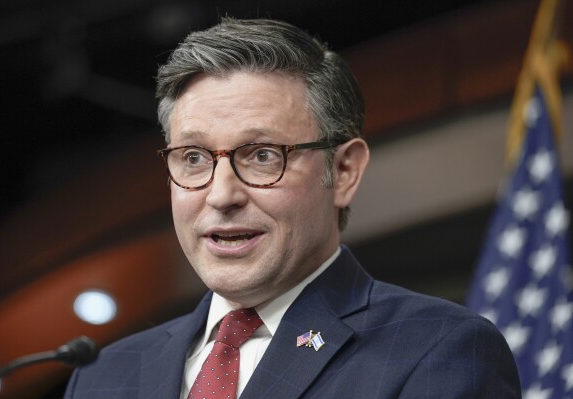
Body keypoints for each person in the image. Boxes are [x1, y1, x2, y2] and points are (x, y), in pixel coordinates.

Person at [65, 18, 521, 398]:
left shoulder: (438, 350)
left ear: (343, 172)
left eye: (262, 155)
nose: (221, 196)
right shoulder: (102, 376)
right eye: (193, 158)